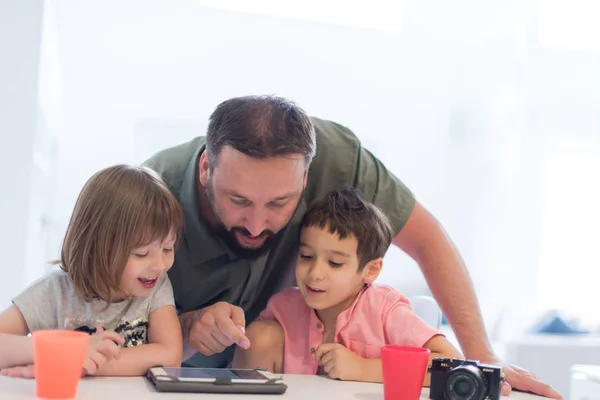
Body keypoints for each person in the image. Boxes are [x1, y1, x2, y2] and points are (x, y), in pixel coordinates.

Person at [143, 95, 561, 398]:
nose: (256, 225)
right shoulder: (147, 191)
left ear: (306, 180)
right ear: (205, 168)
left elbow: (428, 241)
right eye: (237, 201)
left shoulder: (341, 158)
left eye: (278, 204)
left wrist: (483, 356)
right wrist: (187, 326)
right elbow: (100, 324)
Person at [232, 186, 462, 384]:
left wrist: (363, 368)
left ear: (370, 271)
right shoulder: (284, 307)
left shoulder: (385, 310)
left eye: (334, 263)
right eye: (306, 256)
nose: (315, 273)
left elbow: (452, 364)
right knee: (259, 335)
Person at [0, 165, 184, 377]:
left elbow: (171, 355)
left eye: (167, 249)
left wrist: (81, 363)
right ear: (96, 247)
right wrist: (58, 351)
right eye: (141, 253)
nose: (160, 265)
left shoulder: (156, 286)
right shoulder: (55, 291)